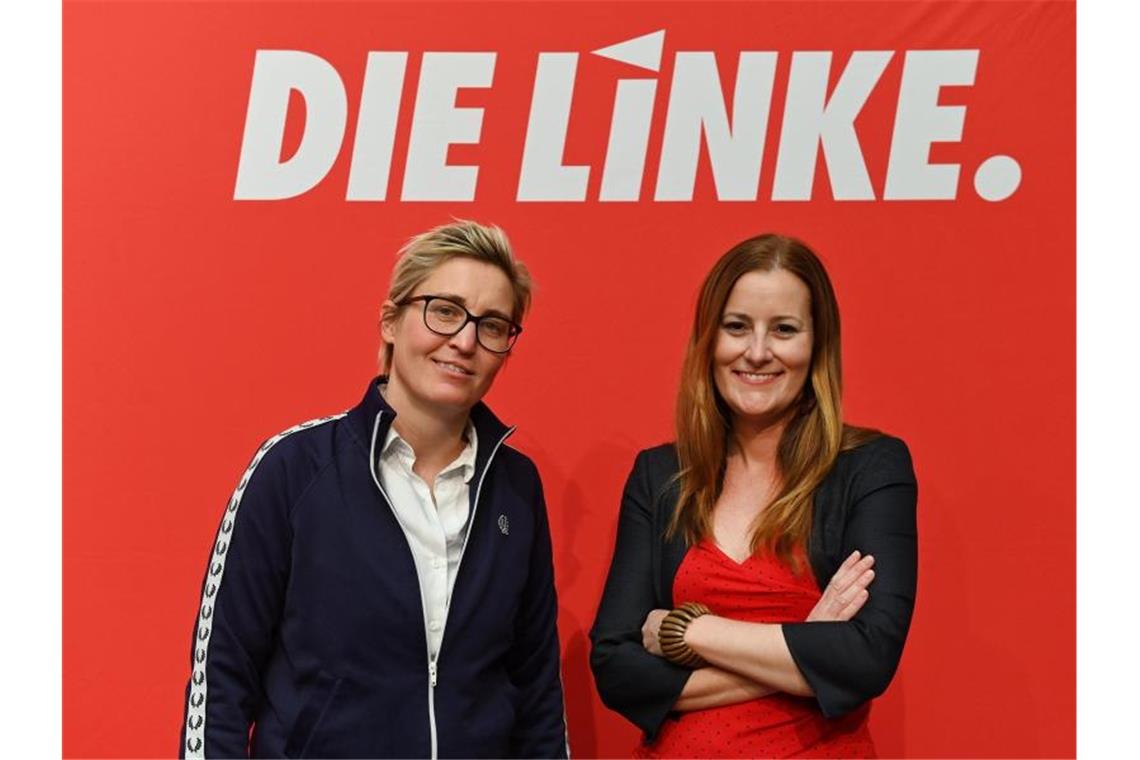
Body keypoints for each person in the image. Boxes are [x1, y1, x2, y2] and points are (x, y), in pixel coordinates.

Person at [180, 221, 568, 759]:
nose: (464, 340)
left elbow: (537, 690)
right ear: (390, 321)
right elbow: (220, 676)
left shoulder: (516, 488)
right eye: (445, 310)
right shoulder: (293, 469)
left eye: (493, 325)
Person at [589, 233, 918, 758]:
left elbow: (866, 659)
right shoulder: (660, 475)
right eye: (737, 327)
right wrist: (807, 646)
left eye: (784, 330)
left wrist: (687, 632)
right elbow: (617, 668)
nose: (758, 352)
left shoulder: (871, 468)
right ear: (709, 340)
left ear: (816, 345)